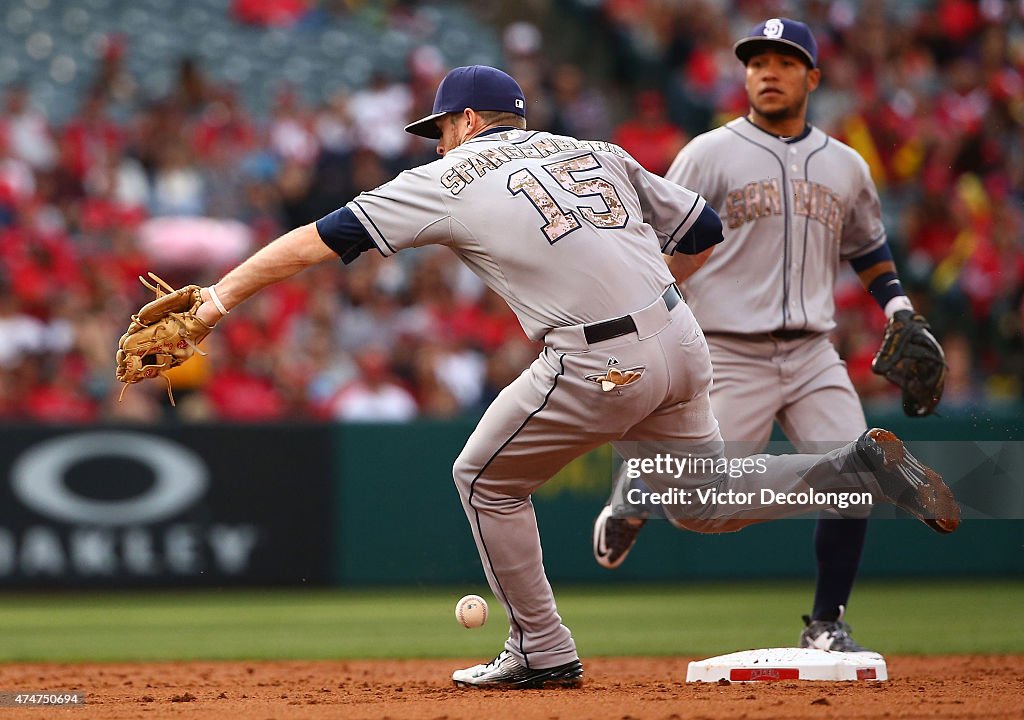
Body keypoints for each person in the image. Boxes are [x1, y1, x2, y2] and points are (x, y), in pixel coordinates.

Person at [182, 65, 958, 689]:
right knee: (700, 502)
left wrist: (216, 300)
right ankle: (851, 467)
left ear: (467, 122)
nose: (438, 140)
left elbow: (321, 240)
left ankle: (542, 649)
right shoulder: (596, 150)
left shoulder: (449, 177)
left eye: (441, 127)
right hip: (683, 338)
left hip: (599, 356)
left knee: (483, 477)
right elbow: (706, 227)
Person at [592, 18, 945, 653]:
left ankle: (826, 623)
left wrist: (898, 308)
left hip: (814, 352)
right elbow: (655, 242)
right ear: (745, 76)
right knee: (699, 508)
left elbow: (869, 245)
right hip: (728, 350)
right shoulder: (708, 153)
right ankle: (640, 485)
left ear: (812, 77)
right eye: (757, 63)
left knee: (857, 475)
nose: (768, 73)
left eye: (784, 63)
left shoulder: (845, 165)